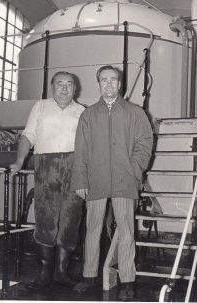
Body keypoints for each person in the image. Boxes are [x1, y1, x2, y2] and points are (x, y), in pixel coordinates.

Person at [71, 65, 153, 300]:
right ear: (98, 85)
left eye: (113, 80)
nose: (109, 84)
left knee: (126, 231)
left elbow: (145, 142)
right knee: (93, 228)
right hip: (95, 179)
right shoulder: (88, 115)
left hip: (124, 178)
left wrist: (135, 170)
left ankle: (127, 279)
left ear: (120, 84)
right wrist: (80, 178)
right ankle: (88, 276)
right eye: (104, 80)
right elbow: (81, 150)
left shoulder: (134, 112)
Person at [10, 71, 85, 290]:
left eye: (69, 84)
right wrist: (19, 161)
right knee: (45, 221)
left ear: (75, 89)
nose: (64, 88)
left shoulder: (82, 112)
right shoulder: (40, 107)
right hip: (46, 170)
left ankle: (61, 273)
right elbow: (28, 135)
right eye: (59, 84)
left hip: (76, 170)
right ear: (51, 87)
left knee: (71, 222)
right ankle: (43, 275)